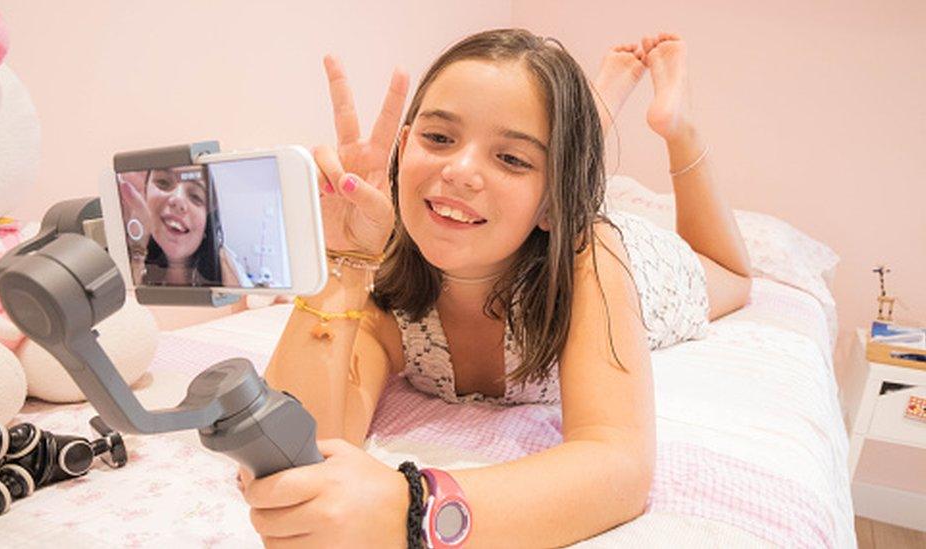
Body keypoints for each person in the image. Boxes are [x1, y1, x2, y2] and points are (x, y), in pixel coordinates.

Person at [241, 30, 752, 547]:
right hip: (531, 212)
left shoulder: (592, 260)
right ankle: (576, 125)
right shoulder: (385, 279)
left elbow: (619, 467)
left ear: (553, 201)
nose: (459, 171)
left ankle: (673, 123)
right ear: (403, 147)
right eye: (438, 139)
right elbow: (304, 450)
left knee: (732, 275)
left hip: (606, 259)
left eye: (512, 159)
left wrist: (410, 507)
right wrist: (339, 260)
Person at [118, 166, 238, 286]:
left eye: (196, 196)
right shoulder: (129, 260)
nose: (178, 199)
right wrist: (137, 254)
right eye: (163, 183)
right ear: (145, 192)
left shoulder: (226, 269)